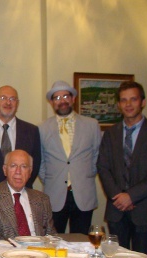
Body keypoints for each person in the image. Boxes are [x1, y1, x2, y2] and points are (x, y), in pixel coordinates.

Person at [97, 81, 147, 256]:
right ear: (118, 105)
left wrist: (131, 196)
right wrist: (118, 196)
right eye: (124, 100)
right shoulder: (110, 133)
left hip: (144, 210)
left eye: (133, 99)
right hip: (117, 210)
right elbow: (103, 167)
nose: (128, 104)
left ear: (143, 102)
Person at [39, 81, 101, 234]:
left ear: (73, 98)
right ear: (52, 102)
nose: (62, 101)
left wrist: (84, 175)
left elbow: (97, 156)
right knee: (53, 241)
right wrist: (50, 179)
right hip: (55, 194)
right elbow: (40, 161)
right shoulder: (42, 128)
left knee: (81, 243)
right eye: (57, 98)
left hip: (83, 194)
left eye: (65, 96)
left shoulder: (92, 125)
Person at [0, 150, 56, 240]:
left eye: (24, 166)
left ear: (30, 172)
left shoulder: (42, 199)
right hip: (5, 251)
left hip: (38, 250)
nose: (18, 171)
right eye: (13, 166)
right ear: (5, 170)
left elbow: (51, 236)